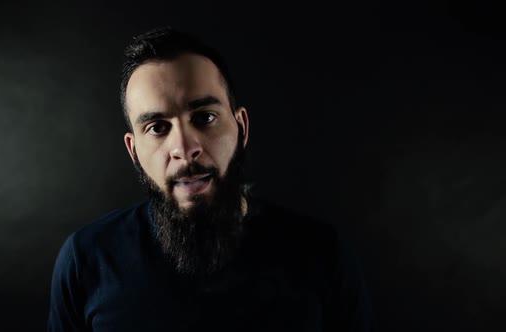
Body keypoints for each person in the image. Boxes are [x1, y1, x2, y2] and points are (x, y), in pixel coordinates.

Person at [47, 26, 372, 332]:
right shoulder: (86, 259)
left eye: (204, 117)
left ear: (241, 127)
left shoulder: (323, 256)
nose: (185, 149)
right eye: (157, 128)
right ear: (133, 151)